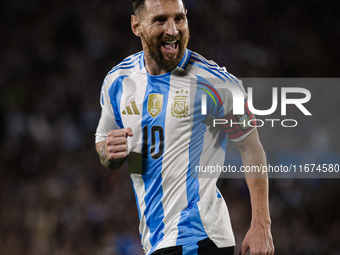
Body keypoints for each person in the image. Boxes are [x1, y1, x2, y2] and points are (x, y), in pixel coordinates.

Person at [95, 0, 274, 254]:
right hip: (156, 241)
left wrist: (261, 225)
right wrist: (109, 154)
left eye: (179, 18)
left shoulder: (216, 83)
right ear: (137, 25)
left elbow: (251, 148)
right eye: (160, 20)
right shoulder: (118, 81)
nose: (172, 30)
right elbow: (104, 141)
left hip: (198, 237)